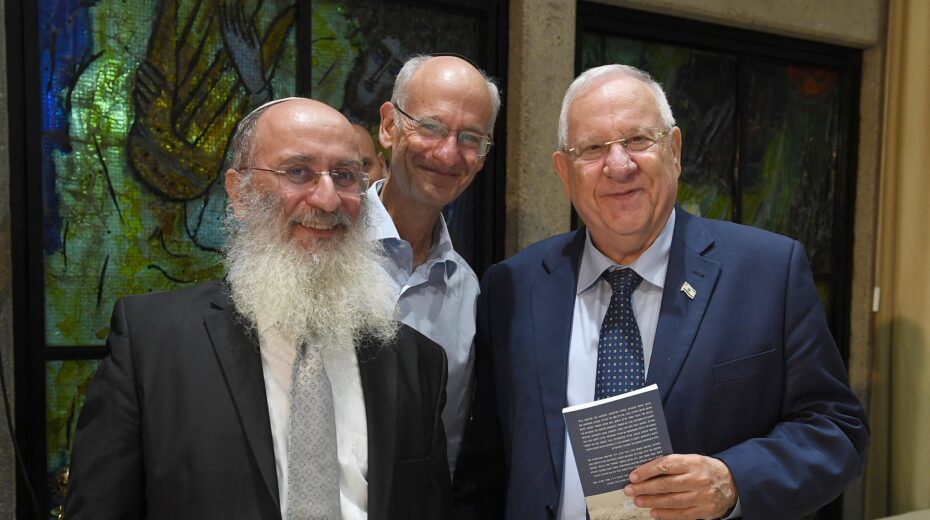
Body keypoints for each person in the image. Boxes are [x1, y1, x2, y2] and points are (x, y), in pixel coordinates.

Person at [455, 65, 870, 519]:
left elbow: (837, 430)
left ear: (674, 150)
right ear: (564, 171)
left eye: (637, 140)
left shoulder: (768, 273)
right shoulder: (513, 286)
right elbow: (484, 468)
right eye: (592, 148)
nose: (619, 165)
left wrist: (734, 480)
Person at [65, 98, 451, 519]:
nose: (328, 200)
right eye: (298, 172)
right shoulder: (150, 345)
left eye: (344, 176)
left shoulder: (417, 362)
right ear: (240, 193)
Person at [368, 55, 500, 475]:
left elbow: (452, 444)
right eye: (430, 127)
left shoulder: (467, 290)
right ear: (388, 126)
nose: (448, 153)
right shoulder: (323, 248)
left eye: (470, 138)